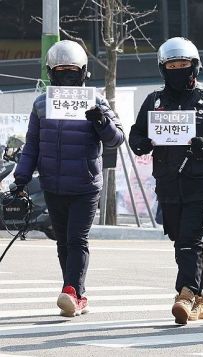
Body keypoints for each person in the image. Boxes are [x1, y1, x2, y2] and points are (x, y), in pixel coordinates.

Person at [129, 37, 203, 325]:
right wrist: (145, 142)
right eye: (172, 65)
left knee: (191, 239)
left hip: (200, 181)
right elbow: (136, 136)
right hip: (167, 182)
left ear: (195, 67)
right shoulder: (154, 100)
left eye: (184, 65)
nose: (179, 70)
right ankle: (199, 297)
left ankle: (185, 295)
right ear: (163, 69)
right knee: (180, 240)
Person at [12, 40, 125, 317]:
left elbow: (117, 138)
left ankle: (72, 290)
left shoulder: (96, 100)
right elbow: (33, 145)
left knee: (77, 240)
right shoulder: (41, 104)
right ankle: (75, 293)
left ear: (83, 72)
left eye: (72, 70)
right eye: (61, 70)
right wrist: (21, 178)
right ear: (52, 72)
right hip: (53, 184)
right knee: (62, 241)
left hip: (85, 186)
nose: (67, 75)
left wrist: (102, 121)